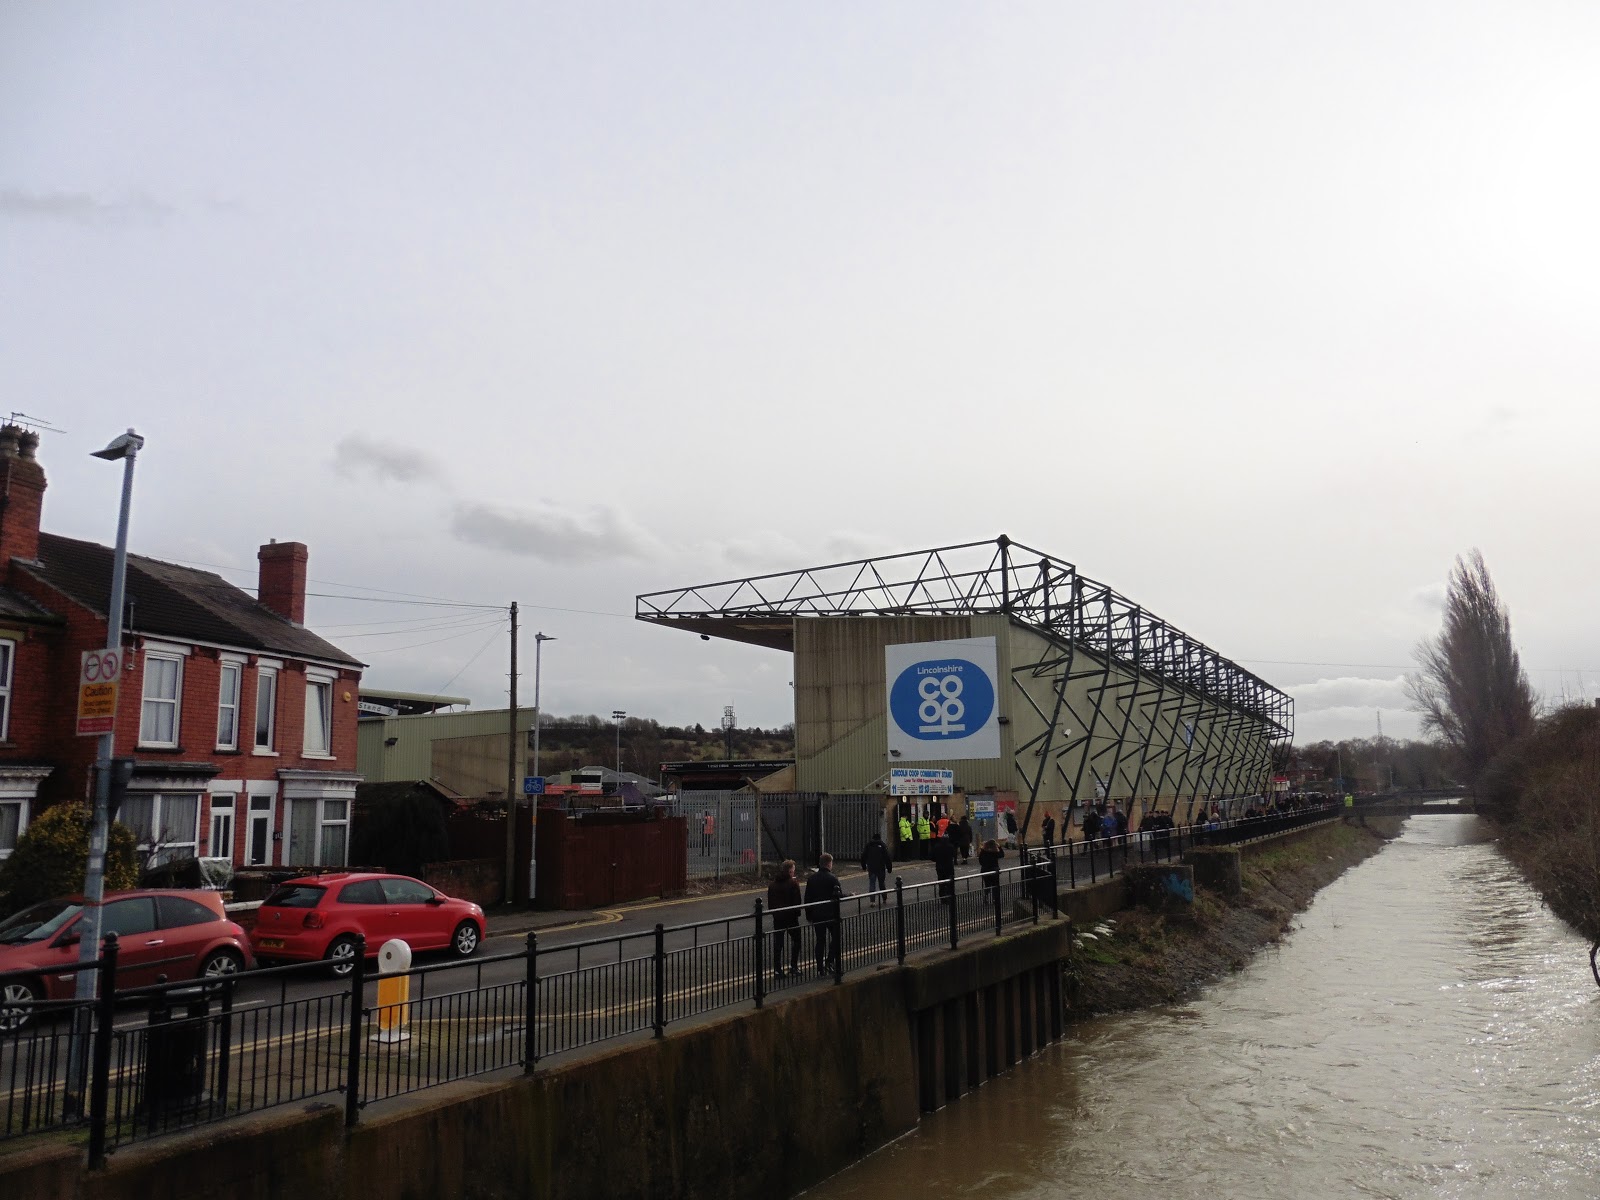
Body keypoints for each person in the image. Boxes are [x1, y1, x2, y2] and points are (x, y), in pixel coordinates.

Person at [804, 853, 844, 974]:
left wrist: (809, 915)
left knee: (820, 941)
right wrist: (850, 895)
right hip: (831, 914)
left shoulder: (811, 879)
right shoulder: (833, 878)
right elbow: (839, 895)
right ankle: (830, 962)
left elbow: (807, 899)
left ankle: (820, 968)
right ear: (829, 864)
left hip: (817, 914)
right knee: (836, 938)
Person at [766, 859, 803, 978]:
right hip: (791, 918)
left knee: (778, 944)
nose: (793, 872)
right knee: (796, 941)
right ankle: (793, 967)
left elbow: (771, 903)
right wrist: (797, 914)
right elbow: (797, 902)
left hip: (778, 918)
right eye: (793, 870)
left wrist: (775, 914)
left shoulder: (772, 885)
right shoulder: (793, 884)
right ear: (790, 871)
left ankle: (777, 970)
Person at [860, 831, 892, 906]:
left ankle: (872, 901)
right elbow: (887, 857)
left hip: (871, 868)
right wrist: (889, 867)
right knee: (881, 884)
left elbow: (863, 856)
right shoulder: (882, 845)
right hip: (881, 867)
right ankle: (884, 899)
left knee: (872, 884)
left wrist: (864, 866)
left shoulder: (869, 845)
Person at [929, 825, 958, 903]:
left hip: (940, 867)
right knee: (950, 882)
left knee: (941, 883)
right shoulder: (951, 846)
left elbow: (932, 857)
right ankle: (950, 897)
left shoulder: (936, 846)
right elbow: (954, 855)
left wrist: (938, 859)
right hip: (949, 867)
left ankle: (942, 898)